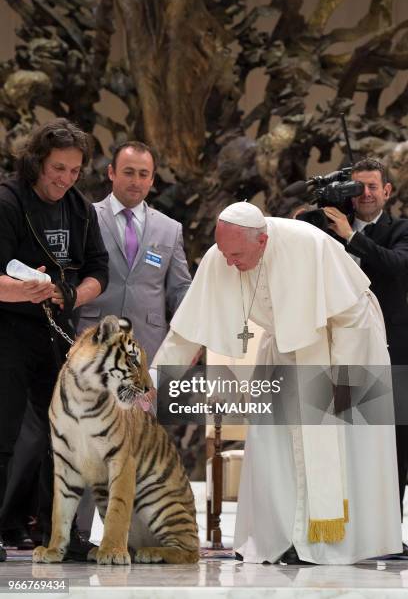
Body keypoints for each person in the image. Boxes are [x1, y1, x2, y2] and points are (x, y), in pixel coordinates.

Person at [152, 201, 402, 565]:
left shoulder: (308, 244)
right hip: (284, 347)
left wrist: (340, 384)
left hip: (343, 344)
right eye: (223, 252)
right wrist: (155, 380)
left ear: (263, 241)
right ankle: (279, 536)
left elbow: (350, 314)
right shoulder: (222, 256)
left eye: (236, 254)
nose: (228, 263)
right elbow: (187, 331)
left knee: (343, 441)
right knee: (273, 441)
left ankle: (339, 544)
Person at [0, 118, 109, 561]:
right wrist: (21, 290)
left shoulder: (80, 208)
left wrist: (71, 295)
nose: (65, 179)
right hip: (8, 330)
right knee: (3, 433)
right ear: (36, 162)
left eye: (74, 170)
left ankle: (58, 536)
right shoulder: (8, 200)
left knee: (63, 438)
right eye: (57, 168)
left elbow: (99, 271)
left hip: (57, 332)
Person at [322, 157, 408, 539]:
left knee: (393, 443)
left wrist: (353, 237)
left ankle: (387, 530)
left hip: (391, 350)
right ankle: (346, 529)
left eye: (373, 187)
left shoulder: (401, 229)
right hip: (338, 353)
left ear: (387, 191)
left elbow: (396, 267)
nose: (366, 194)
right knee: (344, 438)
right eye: (358, 187)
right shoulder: (326, 228)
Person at [77, 141, 191, 364]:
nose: (136, 181)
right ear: (111, 172)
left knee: (141, 401)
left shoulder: (170, 228)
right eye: (128, 172)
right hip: (91, 340)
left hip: (146, 344)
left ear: (152, 179)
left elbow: (180, 289)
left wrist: (192, 336)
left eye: (143, 174)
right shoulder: (85, 218)